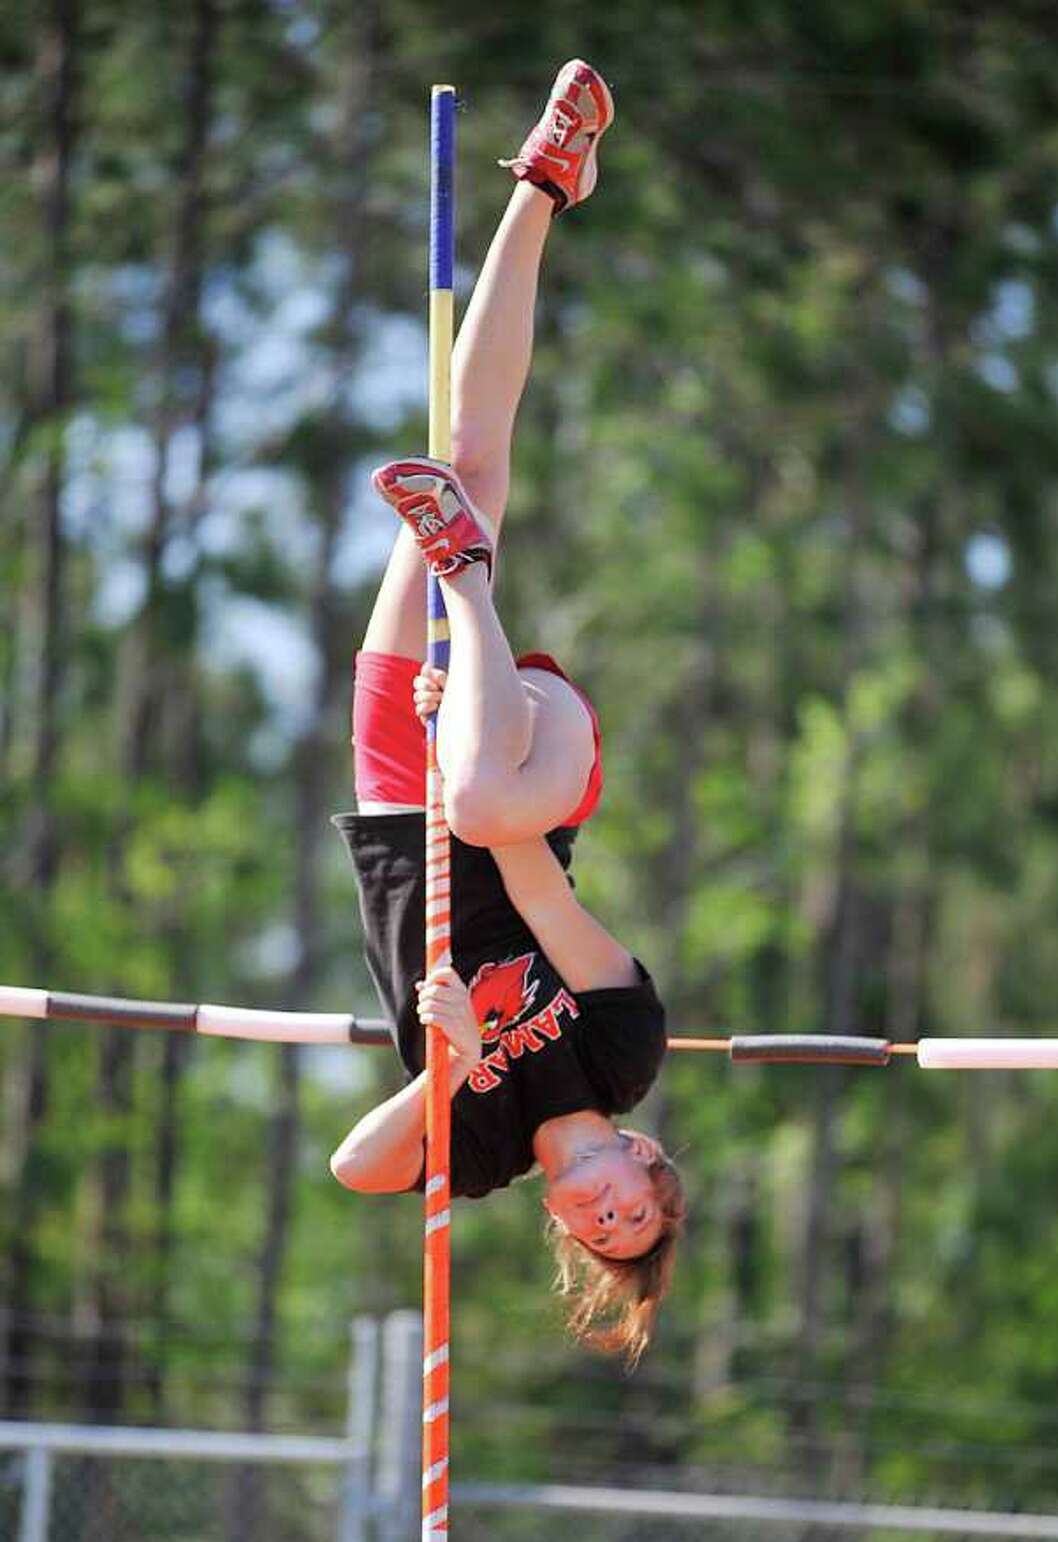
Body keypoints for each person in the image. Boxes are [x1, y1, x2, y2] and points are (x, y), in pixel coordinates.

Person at [329, 61, 685, 1364]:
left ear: (569, 1231)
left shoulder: (472, 1146)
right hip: (527, 762)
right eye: (634, 1208)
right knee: (479, 790)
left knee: (467, 464)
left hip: (398, 781)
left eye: (601, 1231)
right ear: (646, 1162)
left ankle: (544, 182)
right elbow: (530, 886)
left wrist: (453, 1060)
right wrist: (466, 680)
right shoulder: (623, 1050)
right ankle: (469, 588)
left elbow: (358, 1166)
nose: (607, 1211)